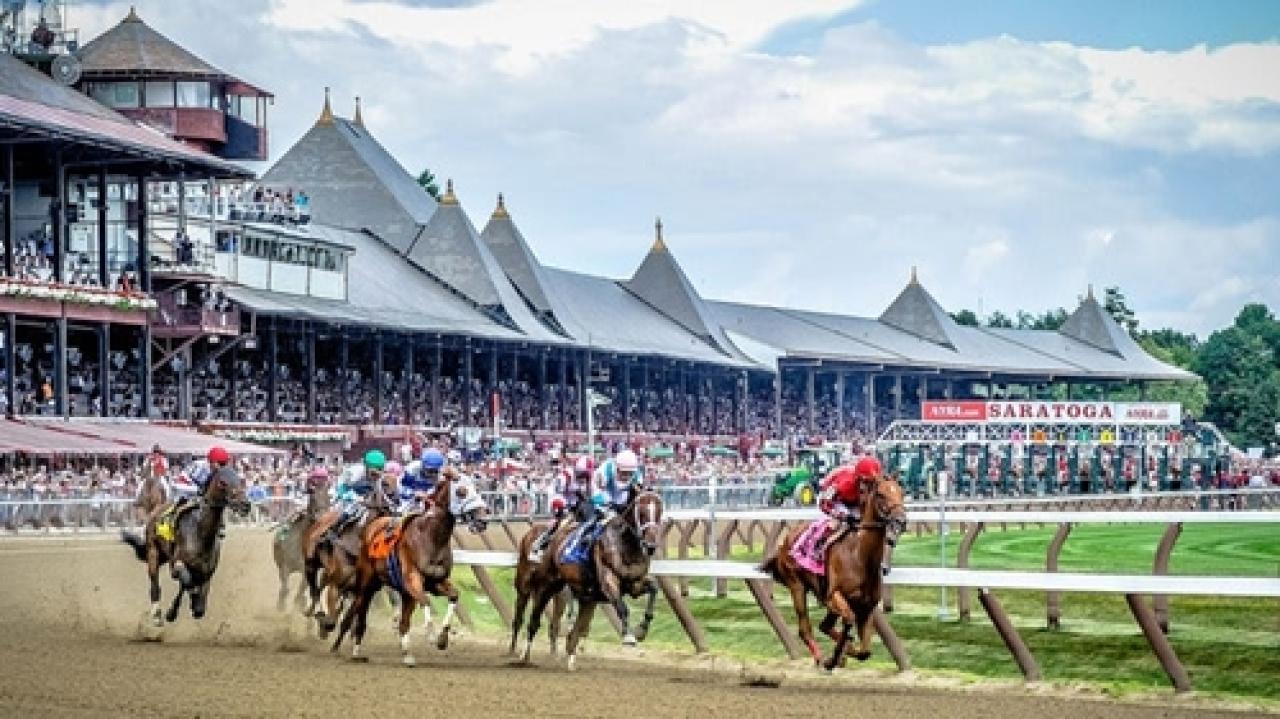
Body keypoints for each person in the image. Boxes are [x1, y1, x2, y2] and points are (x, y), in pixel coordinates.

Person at [528, 455, 594, 561]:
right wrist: (562, 506)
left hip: (574, 500)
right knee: (559, 522)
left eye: (587, 474)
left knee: (590, 516)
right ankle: (539, 546)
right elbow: (556, 492)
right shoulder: (566, 475)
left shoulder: (587, 477)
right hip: (559, 498)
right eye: (583, 474)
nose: (585, 476)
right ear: (578, 470)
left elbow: (588, 494)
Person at [329, 450, 385, 538]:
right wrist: (360, 500)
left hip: (360, 491)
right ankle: (335, 528)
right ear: (366, 467)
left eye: (379, 470)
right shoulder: (355, 472)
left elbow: (378, 493)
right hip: (342, 490)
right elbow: (345, 489)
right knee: (353, 507)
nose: (376, 475)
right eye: (373, 472)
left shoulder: (378, 476)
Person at [399, 448, 445, 512]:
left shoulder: (441, 476)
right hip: (409, 499)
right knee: (402, 511)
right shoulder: (411, 469)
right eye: (430, 471)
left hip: (427, 500)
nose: (433, 474)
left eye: (436, 471)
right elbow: (402, 490)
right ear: (423, 465)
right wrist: (414, 493)